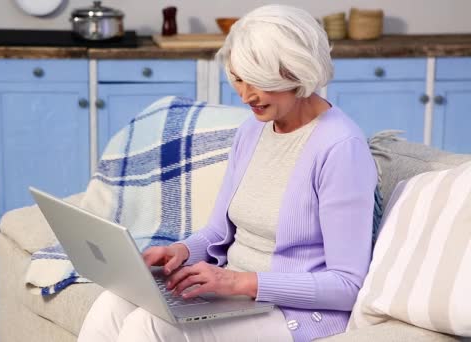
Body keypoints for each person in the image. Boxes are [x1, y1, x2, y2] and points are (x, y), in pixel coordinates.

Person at [78, 4, 377, 342]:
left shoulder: (340, 147)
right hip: (236, 294)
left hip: (295, 312)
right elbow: (218, 232)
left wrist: (238, 282)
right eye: (238, 77)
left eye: (260, 82)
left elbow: (348, 284)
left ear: (298, 72)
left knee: (149, 327)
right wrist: (182, 251)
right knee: (112, 302)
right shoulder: (253, 131)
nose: (246, 94)